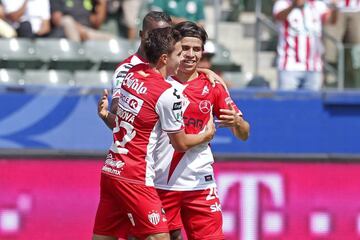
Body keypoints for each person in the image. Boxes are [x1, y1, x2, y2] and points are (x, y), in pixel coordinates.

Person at [93, 26, 215, 240]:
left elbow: (128, 122)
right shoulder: (167, 95)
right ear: (165, 58)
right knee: (160, 237)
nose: (184, 58)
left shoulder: (131, 75)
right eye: (179, 54)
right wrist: (206, 135)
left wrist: (105, 116)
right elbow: (180, 143)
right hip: (136, 175)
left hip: (111, 169)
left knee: (104, 237)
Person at [153, 21, 250, 240]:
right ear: (174, 49)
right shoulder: (159, 81)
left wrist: (237, 122)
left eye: (196, 49)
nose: (191, 54)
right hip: (160, 181)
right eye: (185, 48)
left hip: (199, 182)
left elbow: (244, 134)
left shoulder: (213, 86)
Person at [273, 0, 337, 90]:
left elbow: (331, 20)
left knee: (312, 102)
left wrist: (335, 7)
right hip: (288, 66)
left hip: (313, 67)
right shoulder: (283, 3)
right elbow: (279, 17)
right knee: (287, 102)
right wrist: (294, 6)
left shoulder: (318, 5)